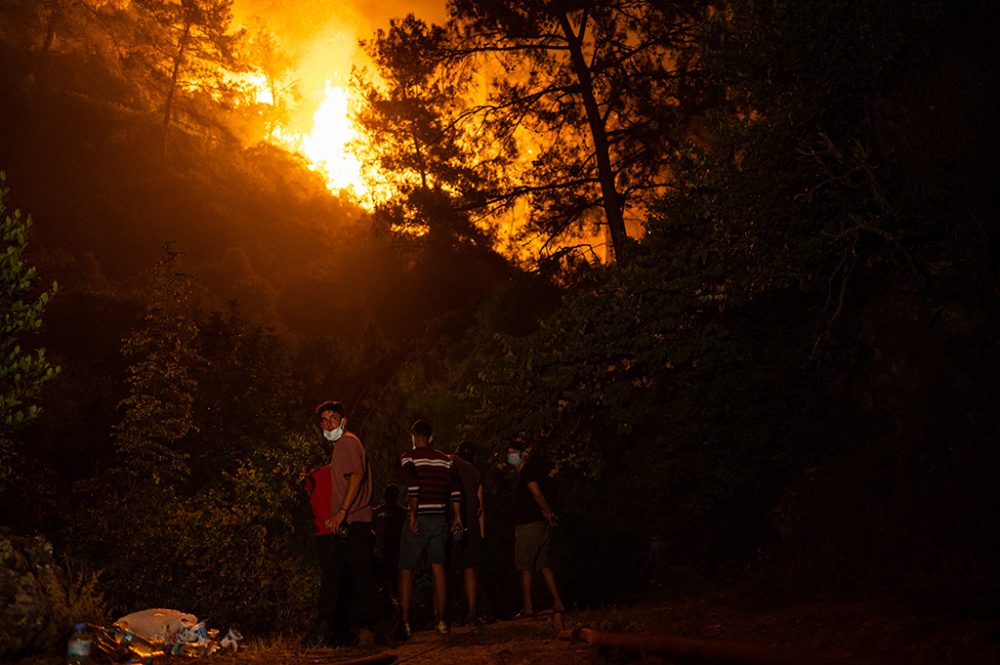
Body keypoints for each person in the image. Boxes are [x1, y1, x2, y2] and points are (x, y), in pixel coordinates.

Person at [311, 400, 393, 649]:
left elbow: (356, 476)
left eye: (333, 418)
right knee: (337, 577)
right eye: (324, 420)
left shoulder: (346, 442)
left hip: (352, 522)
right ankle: (326, 635)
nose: (328, 424)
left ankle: (379, 634)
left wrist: (342, 512)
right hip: (350, 523)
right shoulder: (344, 445)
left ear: (343, 421)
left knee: (356, 578)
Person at [397, 419, 463, 638]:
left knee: (407, 569)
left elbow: (413, 484)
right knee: (439, 569)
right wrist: (458, 518)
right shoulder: (445, 460)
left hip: (420, 516)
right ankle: (441, 621)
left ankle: (405, 622)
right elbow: (455, 488)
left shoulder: (408, 456)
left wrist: (413, 514)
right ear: (432, 437)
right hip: (440, 518)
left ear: (413, 436)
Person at [507, 437, 566, 618]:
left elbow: (536, 493)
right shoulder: (524, 473)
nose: (511, 457)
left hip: (529, 525)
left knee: (525, 565)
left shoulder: (527, 472)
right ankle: (558, 602)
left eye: (513, 453)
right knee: (543, 564)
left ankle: (528, 607)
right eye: (508, 454)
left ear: (522, 454)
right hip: (537, 524)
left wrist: (548, 512)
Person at [450, 440, 486, 626]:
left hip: (449, 520)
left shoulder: (449, 462)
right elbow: (480, 505)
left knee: (442, 567)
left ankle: (441, 615)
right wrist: (482, 531)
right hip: (470, 523)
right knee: (469, 567)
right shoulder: (475, 472)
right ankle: (471, 611)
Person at [373, 484, 405, 598]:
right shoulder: (376, 512)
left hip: (395, 552)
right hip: (380, 553)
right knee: (382, 581)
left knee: (395, 581)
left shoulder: (402, 513)